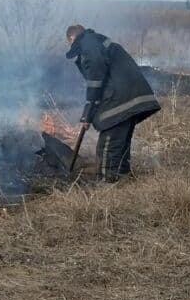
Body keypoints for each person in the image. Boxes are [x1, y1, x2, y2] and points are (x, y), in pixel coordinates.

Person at [65, 24, 161, 182]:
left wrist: (88, 112)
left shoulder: (88, 44)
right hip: (129, 97)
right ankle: (122, 179)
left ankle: (107, 183)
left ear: (72, 39)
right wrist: (87, 115)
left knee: (108, 145)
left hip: (121, 99)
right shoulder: (96, 41)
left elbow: (95, 79)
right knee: (120, 143)